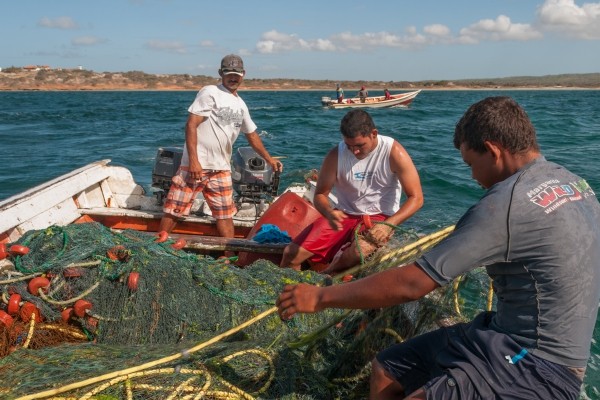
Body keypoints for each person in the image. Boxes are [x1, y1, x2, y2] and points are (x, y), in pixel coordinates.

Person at [276, 96, 600, 399]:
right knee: (387, 369)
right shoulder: (572, 181)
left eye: (471, 164)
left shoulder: (505, 204)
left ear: (493, 150)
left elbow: (412, 284)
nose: (472, 176)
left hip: (538, 363)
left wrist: (319, 297)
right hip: (498, 332)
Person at [158, 54, 283, 246]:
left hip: (221, 168)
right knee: (175, 209)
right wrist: (193, 160)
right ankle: (156, 246)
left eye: (237, 74)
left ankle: (228, 255)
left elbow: (252, 134)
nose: (233, 78)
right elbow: (191, 125)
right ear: (220, 73)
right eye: (229, 73)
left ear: (244, 74)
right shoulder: (209, 92)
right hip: (196, 165)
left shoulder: (240, 104)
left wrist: (269, 159)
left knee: (225, 214)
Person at [279, 109, 423, 274]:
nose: (354, 151)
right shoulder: (335, 155)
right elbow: (320, 195)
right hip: (343, 215)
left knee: (356, 252)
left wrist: (389, 225)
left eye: (360, 145)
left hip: (380, 217)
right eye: (349, 146)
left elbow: (416, 198)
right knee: (291, 254)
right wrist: (328, 212)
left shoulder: (393, 152)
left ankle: (323, 279)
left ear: (374, 134)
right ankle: (288, 293)